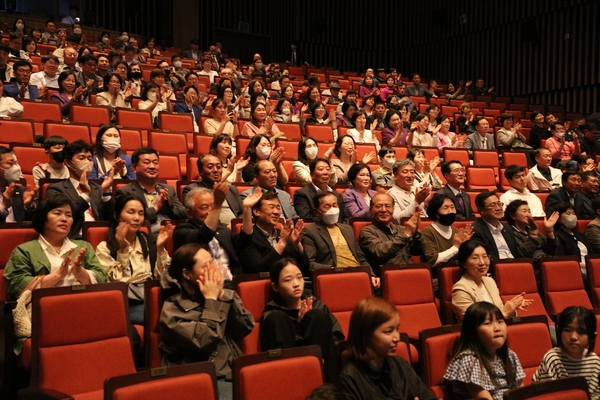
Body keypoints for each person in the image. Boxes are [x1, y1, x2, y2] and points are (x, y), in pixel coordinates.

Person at [159, 243, 254, 398]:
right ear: (187, 274)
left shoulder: (223, 295)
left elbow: (246, 327)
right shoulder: (172, 311)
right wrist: (211, 301)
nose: (213, 270)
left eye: (213, 263)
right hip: (199, 378)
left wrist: (222, 296)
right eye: (206, 266)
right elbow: (206, 340)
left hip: (232, 369)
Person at [4, 194, 107, 307]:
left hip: (84, 304)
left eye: (69, 215)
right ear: (43, 218)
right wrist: (57, 275)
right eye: (57, 213)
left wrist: (79, 272)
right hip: (44, 310)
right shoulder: (24, 251)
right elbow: (16, 285)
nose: (64, 219)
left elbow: (102, 278)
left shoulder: (84, 246)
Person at [260, 258, 344, 382]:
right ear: (276, 287)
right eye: (288, 280)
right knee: (277, 318)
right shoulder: (271, 313)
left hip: (324, 368)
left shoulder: (317, 305)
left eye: (299, 277)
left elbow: (337, 337)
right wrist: (300, 325)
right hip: (288, 373)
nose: (296, 284)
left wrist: (307, 323)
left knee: (315, 316)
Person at [338, 297, 436, 400]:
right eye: (388, 331)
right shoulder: (350, 378)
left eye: (397, 329)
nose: (397, 338)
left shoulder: (400, 365)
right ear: (366, 335)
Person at [96, 195, 173, 324]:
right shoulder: (105, 248)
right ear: (117, 215)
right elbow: (116, 286)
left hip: (153, 297)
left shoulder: (149, 241)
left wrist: (160, 249)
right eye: (131, 212)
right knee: (167, 316)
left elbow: (164, 278)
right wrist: (123, 250)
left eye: (141, 213)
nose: (137, 218)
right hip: (128, 304)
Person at [443, 301, 526, 399]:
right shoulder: (470, 360)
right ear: (472, 331)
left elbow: (521, 391)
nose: (497, 328)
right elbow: (484, 399)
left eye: (500, 321)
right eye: (488, 323)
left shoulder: (510, 355)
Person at [174, 184, 256, 276]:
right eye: (204, 207)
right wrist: (217, 205)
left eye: (212, 206)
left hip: (230, 280)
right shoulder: (182, 230)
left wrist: (247, 209)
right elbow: (204, 235)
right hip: (201, 283)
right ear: (190, 213)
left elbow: (244, 241)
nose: (210, 211)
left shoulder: (222, 230)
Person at [302, 192, 380, 288]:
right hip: (335, 276)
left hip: (358, 274)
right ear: (317, 211)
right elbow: (309, 263)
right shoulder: (310, 231)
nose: (332, 209)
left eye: (335, 205)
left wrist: (371, 274)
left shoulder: (347, 229)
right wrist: (331, 269)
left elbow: (361, 258)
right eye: (327, 206)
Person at [46, 140, 114, 239]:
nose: (87, 162)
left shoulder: (98, 188)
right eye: (81, 158)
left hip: (101, 238)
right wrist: (85, 195)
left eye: (90, 158)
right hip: (74, 239)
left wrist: (107, 193)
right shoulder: (56, 189)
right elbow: (61, 216)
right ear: (68, 163)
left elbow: (111, 218)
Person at [452, 241, 532, 322]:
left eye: (485, 256)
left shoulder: (490, 281)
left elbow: (501, 310)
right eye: (475, 258)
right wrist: (504, 313)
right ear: (464, 264)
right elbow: (473, 322)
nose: (482, 262)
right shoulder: (461, 289)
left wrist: (512, 309)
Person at [533, 306, 600, 399]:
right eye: (567, 330)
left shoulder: (594, 361)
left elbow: (596, 396)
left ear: (592, 337)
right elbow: (546, 396)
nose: (573, 337)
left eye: (581, 332)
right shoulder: (552, 358)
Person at [115, 148, 186, 235]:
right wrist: (155, 209)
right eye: (146, 162)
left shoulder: (168, 189)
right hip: (146, 237)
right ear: (134, 168)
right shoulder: (126, 192)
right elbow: (129, 220)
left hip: (173, 235)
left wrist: (167, 207)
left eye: (155, 163)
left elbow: (184, 214)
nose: (152, 166)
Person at [238, 192, 309, 274]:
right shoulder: (246, 239)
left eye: (278, 208)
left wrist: (297, 244)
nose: (276, 212)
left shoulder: (284, 234)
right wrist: (281, 243)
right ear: (257, 212)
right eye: (271, 207)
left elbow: (305, 267)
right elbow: (257, 270)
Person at [358, 193, 424, 272]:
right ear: (371, 210)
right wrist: (406, 235)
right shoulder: (367, 231)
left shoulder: (401, 229)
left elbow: (418, 251)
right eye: (378, 206)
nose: (383, 210)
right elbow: (379, 252)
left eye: (387, 206)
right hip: (387, 275)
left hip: (409, 271)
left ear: (393, 209)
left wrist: (416, 233)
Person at [183, 154, 243, 226]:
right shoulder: (192, 190)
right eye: (210, 167)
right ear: (200, 172)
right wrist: (224, 227)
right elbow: (195, 218)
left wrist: (235, 225)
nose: (215, 170)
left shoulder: (231, 189)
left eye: (218, 167)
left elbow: (242, 213)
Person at [420, 194, 474, 266]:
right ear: (436, 213)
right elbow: (432, 261)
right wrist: (455, 247)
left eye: (452, 207)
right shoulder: (428, 232)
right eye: (445, 208)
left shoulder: (457, 232)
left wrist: (466, 246)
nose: (450, 211)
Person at [293, 158, 349, 223]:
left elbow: (346, 217)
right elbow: (305, 219)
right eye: (321, 169)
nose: (325, 172)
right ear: (312, 175)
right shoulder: (302, 194)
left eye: (328, 169)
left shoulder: (337, 195)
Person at [472, 191, 521, 259]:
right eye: (493, 205)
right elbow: (486, 257)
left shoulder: (507, 228)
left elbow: (518, 253)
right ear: (481, 210)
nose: (498, 208)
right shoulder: (476, 230)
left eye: (499, 204)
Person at [551, 202, 596, 274]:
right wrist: (585, 265)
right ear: (558, 218)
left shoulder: (580, 235)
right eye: (568, 213)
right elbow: (562, 260)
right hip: (574, 271)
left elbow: (592, 255)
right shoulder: (557, 236)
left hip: (590, 268)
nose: (572, 216)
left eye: (573, 213)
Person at [0, 146, 35, 223]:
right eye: (10, 163)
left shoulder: (21, 191)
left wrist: (29, 207)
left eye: (15, 163)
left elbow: (34, 224)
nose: (17, 168)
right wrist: (3, 207)